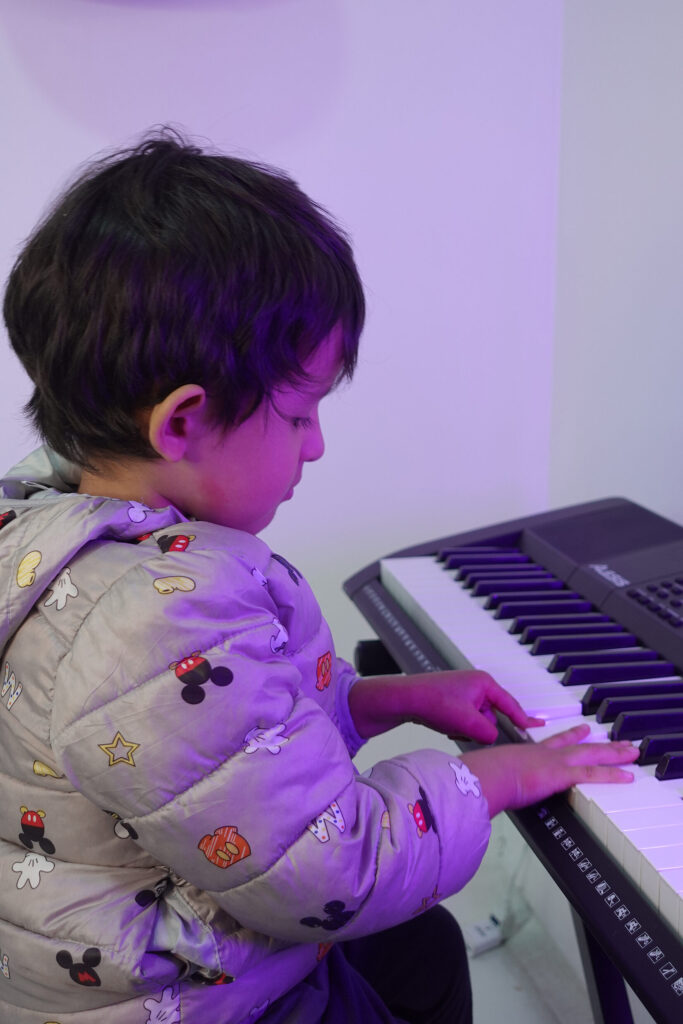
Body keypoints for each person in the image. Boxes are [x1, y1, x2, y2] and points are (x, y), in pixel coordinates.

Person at [0, 129, 638, 1024]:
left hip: (132, 947)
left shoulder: (55, 535)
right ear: (182, 423)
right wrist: (496, 776)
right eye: (300, 414)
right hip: (191, 1003)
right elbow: (336, 872)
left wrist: (387, 699)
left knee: (421, 948)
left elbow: (223, 744)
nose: (316, 446)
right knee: (402, 941)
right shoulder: (155, 614)